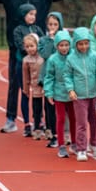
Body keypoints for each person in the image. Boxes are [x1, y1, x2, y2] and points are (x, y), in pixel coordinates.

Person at [0, 0, 69, 133]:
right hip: (17, 48)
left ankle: (41, 120)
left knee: (42, 84)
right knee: (15, 84)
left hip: (40, 49)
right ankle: (11, 119)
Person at [63, 27, 96, 162]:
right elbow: (67, 76)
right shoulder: (71, 59)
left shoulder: (95, 57)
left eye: (86, 43)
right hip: (79, 97)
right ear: (75, 43)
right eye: (80, 43)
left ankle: (94, 145)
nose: (83, 46)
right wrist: (70, 89)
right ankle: (81, 149)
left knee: (95, 122)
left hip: (95, 95)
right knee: (81, 123)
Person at [44, 30, 76, 158]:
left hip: (72, 94)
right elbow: (49, 77)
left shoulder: (74, 57)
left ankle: (74, 143)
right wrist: (49, 93)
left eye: (66, 45)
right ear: (57, 46)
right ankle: (61, 145)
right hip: (58, 94)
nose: (64, 48)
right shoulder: (53, 59)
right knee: (61, 119)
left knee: (74, 119)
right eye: (61, 45)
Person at [13, 4, 44, 137]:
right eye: (30, 14)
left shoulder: (37, 29)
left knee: (40, 92)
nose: (33, 17)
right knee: (25, 92)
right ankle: (26, 123)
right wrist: (31, 48)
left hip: (38, 64)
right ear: (23, 14)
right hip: (23, 64)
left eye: (34, 14)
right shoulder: (18, 30)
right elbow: (20, 46)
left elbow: (44, 43)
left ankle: (39, 120)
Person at [38, 11, 64, 144]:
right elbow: (45, 54)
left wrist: (58, 41)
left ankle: (61, 133)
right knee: (48, 106)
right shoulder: (43, 40)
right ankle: (51, 130)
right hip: (47, 77)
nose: (53, 26)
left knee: (60, 107)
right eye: (50, 24)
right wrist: (51, 40)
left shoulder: (65, 40)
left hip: (60, 77)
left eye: (55, 24)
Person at [22, 33, 44, 140]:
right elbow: (26, 77)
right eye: (27, 46)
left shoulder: (43, 57)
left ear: (37, 45)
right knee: (36, 108)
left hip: (45, 87)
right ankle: (37, 128)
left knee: (48, 109)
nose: (30, 49)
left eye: (32, 46)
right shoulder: (26, 60)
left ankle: (48, 128)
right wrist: (26, 89)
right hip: (35, 88)